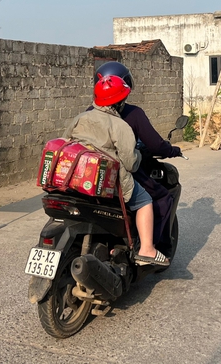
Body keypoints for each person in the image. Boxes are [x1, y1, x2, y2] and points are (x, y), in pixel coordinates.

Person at [63, 74, 169, 267]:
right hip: (109, 182)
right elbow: (130, 163)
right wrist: (137, 154)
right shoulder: (120, 126)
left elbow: (66, 143)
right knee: (145, 201)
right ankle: (146, 249)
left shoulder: (80, 118)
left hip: (76, 177)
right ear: (119, 102)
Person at [93, 62, 181, 250]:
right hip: (120, 172)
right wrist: (172, 150)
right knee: (158, 198)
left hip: (92, 172)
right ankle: (149, 248)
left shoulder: (87, 115)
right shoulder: (129, 116)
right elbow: (136, 157)